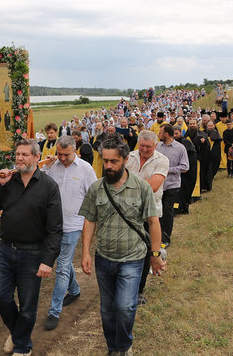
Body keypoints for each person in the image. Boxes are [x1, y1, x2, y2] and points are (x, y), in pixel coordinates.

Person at [79, 138, 165, 355]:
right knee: (107, 310)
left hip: (133, 259)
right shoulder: (96, 188)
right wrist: (85, 252)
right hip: (104, 258)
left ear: (126, 160)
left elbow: (153, 223)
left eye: (114, 161)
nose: (108, 166)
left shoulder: (142, 188)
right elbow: (90, 220)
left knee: (125, 308)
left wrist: (155, 255)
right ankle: (113, 347)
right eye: (105, 161)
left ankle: (125, 345)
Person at [0, 139, 63, 355]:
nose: (19, 158)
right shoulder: (8, 181)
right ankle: (20, 334)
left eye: (25, 154)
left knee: (28, 306)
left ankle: (23, 347)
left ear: (37, 157)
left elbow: (55, 228)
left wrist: (48, 261)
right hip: (6, 250)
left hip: (33, 253)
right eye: (17, 154)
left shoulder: (49, 187)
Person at [40, 136, 97, 331]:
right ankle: (74, 289)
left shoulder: (86, 169)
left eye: (66, 155)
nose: (62, 158)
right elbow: (37, 182)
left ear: (75, 151)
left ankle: (54, 311)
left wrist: (89, 224)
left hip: (73, 225)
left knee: (62, 266)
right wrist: (46, 165)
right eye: (59, 154)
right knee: (62, 261)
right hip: (51, 226)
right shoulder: (52, 165)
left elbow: (94, 196)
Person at [126, 130, 169, 305]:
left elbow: (153, 186)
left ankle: (139, 290)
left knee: (145, 253)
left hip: (149, 214)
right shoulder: (128, 157)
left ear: (156, 145)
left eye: (148, 147)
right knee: (127, 250)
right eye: (141, 146)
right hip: (127, 213)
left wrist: (127, 188)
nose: (144, 150)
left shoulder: (161, 160)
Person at [155, 125, 189, 246]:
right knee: (158, 211)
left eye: (160, 133)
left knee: (168, 211)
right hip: (158, 185)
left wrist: (167, 169)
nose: (158, 135)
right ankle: (157, 236)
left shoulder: (180, 148)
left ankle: (166, 238)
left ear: (167, 135)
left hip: (172, 185)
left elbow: (185, 167)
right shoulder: (157, 146)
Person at [173, 126, 196, 213]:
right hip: (177, 170)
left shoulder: (186, 143)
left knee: (185, 189)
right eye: (173, 134)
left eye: (176, 133)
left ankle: (184, 207)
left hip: (187, 171)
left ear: (181, 133)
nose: (175, 136)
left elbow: (190, 158)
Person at [203, 120, 222, 192]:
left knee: (211, 171)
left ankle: (208, 186)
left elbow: (213, 138)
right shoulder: (204, 132)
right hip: (206, 156)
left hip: (213, 156)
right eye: (209, 126)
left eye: (211, 126)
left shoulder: (215, 133)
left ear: (214, 126)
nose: (210, 127)